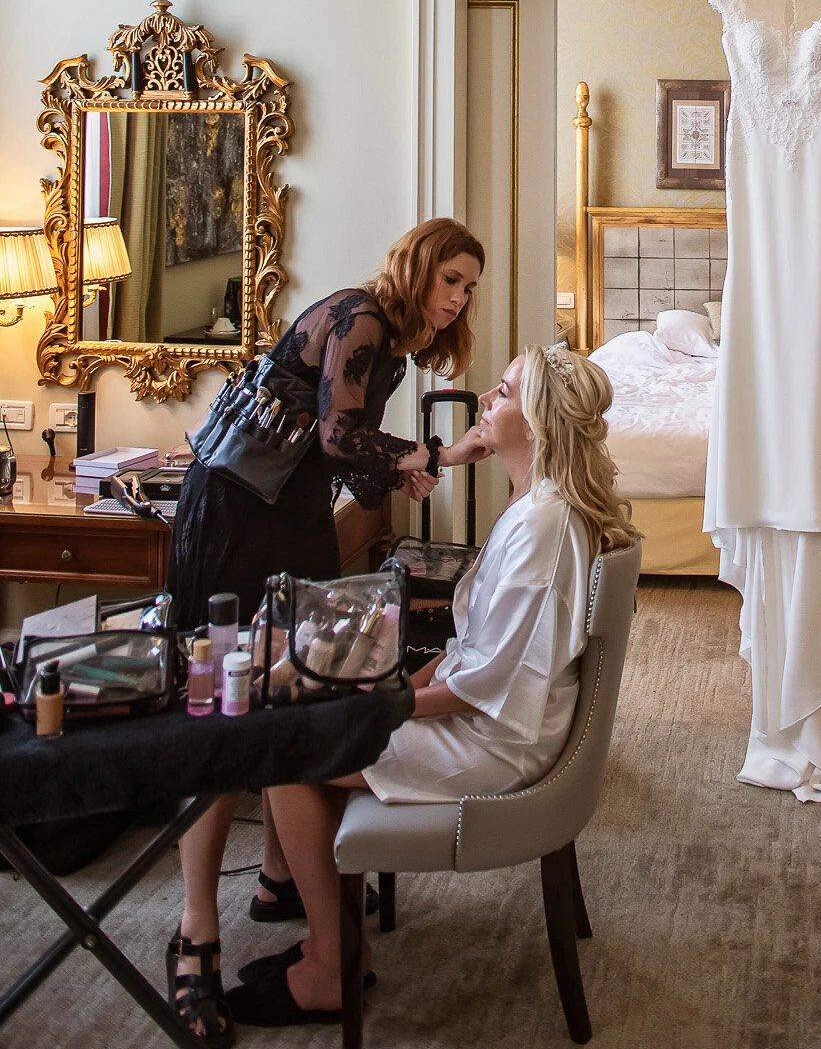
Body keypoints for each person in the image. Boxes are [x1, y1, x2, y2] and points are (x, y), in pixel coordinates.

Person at [228, 342, 638, 1029]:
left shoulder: (542, 527)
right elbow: (472, 653)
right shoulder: (532, 503)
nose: (484, 400)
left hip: (496, 741)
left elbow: (490, 682)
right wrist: (390, 682)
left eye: (503, 393)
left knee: (287, 746)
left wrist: (380, 704)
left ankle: (333, 967)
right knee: (314, 713)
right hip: (492, 713)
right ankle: (329, 923)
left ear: (537, 421)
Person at [165, 218, 486, 1044]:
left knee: (294, 688)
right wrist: (428, 456)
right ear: (417, 268)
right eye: (450, 279)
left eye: (468, 287)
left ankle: (277, 878)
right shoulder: (361, 318)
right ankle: (194, 932)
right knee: (222, 706)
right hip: (234, 513)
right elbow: (340, 433)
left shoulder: (390, 344)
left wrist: (400, 469)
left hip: (293, 514)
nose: (458, 299)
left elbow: (337, 453)